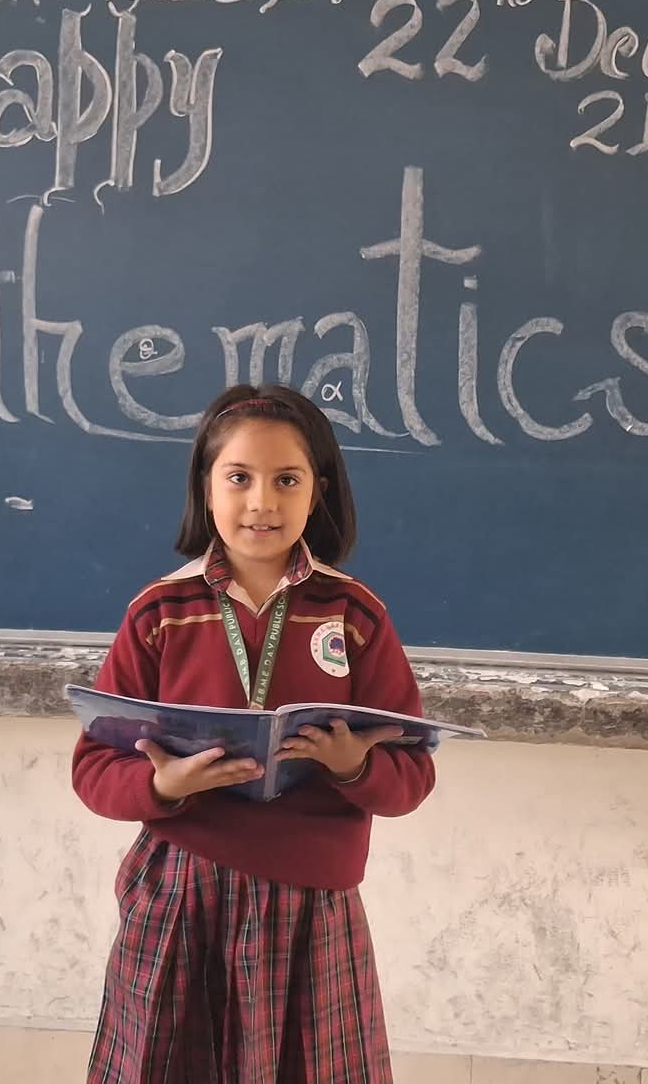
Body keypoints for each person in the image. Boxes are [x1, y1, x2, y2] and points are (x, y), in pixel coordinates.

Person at [72, 382, 436, 1084]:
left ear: (317, 492)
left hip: (312, 904)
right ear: (205, 487)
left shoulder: (354, 615)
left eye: (286, 480)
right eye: (238, 477)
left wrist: (353, 765)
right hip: (181, 893)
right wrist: (160, 783)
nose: (262, 501)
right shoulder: (160, 612)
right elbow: (93, 767)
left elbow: (413, 776)